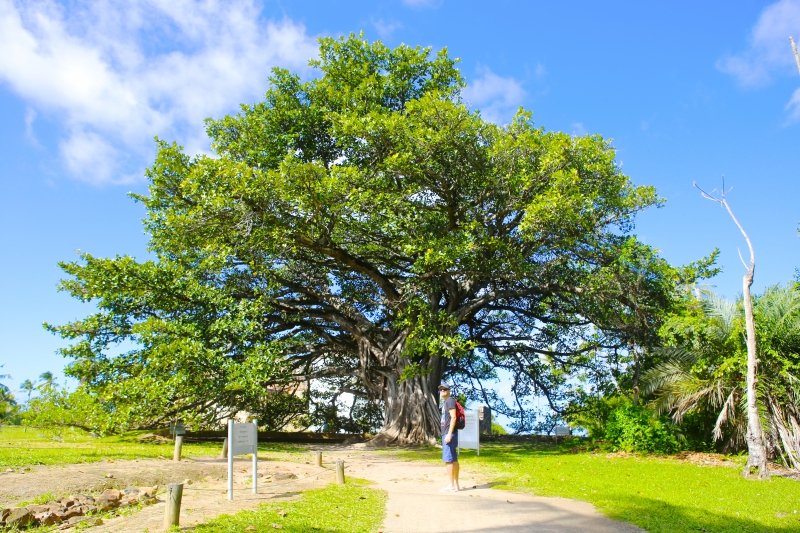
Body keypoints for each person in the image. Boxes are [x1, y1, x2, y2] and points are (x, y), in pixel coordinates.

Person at [438, 383, 460, 492]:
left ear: (449, 390)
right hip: (447, 433)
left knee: (448, 460)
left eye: (445, 389)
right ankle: (455, 485)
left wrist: (449, 434)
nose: (442, 391)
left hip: (448, 434)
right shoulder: (446, 402)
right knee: (453, 459)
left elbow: (454, 417)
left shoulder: (450, 401)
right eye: (441, 389)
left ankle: (451, 485)